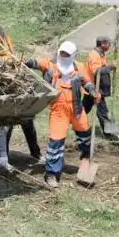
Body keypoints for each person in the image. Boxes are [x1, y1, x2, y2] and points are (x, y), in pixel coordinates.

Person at [25, 41, 99, 188]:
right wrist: (24, 62)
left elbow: (87, 82)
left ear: (72, 55)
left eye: (66, 54)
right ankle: (52, 173)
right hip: (58, 109)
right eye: (62, 53)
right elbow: (35, 62)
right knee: (56, 142)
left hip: (77, 108)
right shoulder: (50, 64)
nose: (63, 56)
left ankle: (86, 160)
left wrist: (93, 92)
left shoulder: (78, 67)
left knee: (85, 135)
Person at [83, 36, 119, 140]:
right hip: (94, 88)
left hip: (96, 87)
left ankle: (75, 121)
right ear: (103, 44)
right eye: (108, 43)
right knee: (103, 111)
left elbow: (102, 68)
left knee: (84, 108)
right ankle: (110, 134)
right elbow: (97, 71)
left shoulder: (101, 54)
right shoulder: (94, 55)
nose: (109, 46)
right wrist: (111, 66)